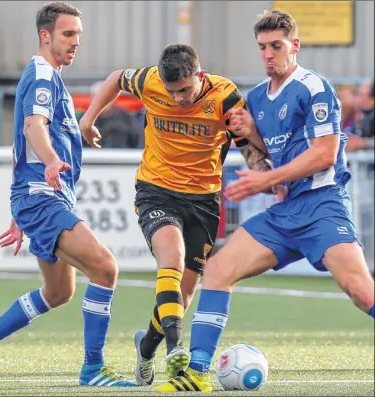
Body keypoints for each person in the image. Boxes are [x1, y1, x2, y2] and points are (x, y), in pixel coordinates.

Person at [155, 9, 375, 393]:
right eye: (262, 48)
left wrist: (265, 180)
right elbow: (275, 155)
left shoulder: (313, 87)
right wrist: (252, 133)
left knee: (360, 292)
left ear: (295, 46)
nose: (269, 54)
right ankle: (198, 373)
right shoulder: (256, 97)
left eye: (277, 46)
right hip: (284, 213)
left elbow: (324, 154)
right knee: (219, 269)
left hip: (322, 206)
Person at [80, 43, 277, 386]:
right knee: (171, 257)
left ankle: (146, 348)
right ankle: (175, 349)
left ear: (199, 75)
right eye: (173, 92)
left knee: (182, 296)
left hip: (203, 200)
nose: (180, 98)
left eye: (185, 90)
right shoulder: (151, 81)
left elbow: (246, 145)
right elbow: (115, 79)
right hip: (157, 190)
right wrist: (89, 118)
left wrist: (266, 175)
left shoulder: (224, 96)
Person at [0, 2, 136, 388]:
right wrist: (52, 162)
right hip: (43, 198)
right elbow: (32, 128)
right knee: (105, 268)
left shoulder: (50, 76)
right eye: (68, 35)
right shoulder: (41, 74)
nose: (75, 43)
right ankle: (93, 369)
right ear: (45, 35)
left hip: (37, 198)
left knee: (59, 292)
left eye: (78, 36)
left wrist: (22, 207)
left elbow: (27, 144)